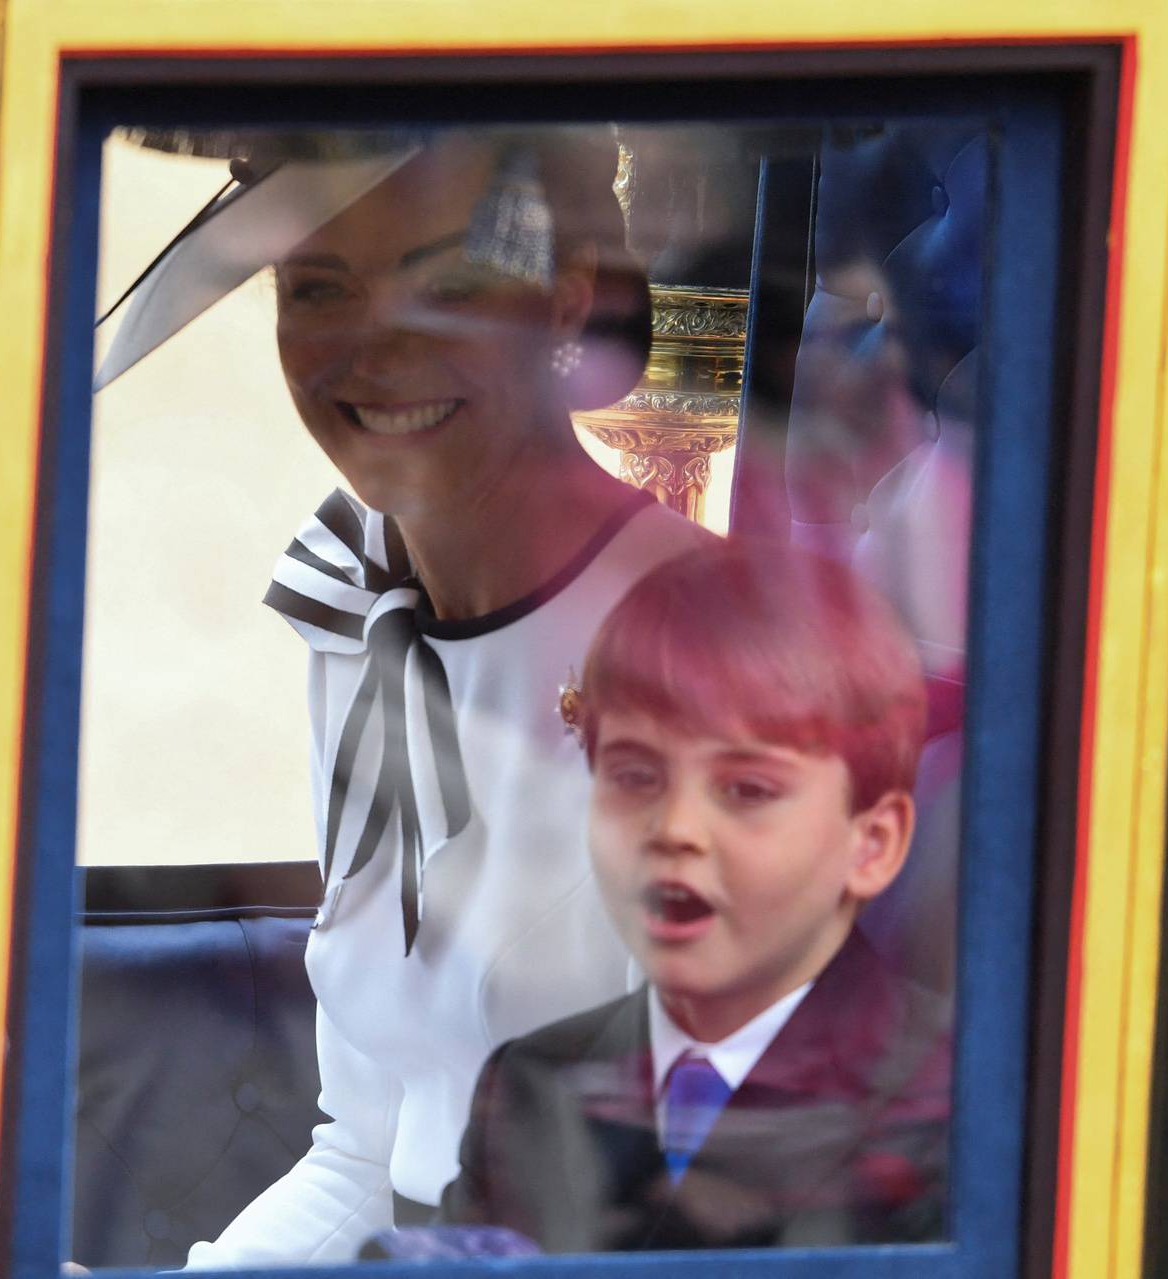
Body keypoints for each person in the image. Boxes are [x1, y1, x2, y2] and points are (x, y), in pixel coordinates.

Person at [166, 129, 715, 1265]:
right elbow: (367, 1150)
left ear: (564, 306)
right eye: (320, 287)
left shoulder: (704, 649)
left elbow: (683, 1212)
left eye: (451, 287)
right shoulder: (349, 603)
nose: (374, 353)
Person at [427, 541, 951, 1253]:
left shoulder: (953, 1111)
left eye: (747, 789)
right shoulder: (527, 1084)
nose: (674, 830)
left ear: (873, 842)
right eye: (635, 775)